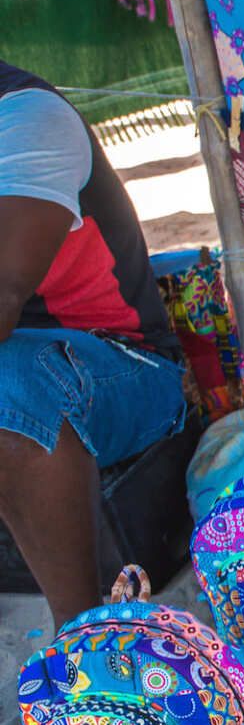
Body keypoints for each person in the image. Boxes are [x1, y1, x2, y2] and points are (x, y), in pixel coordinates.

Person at [0, 60, 188, 627]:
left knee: (8, 382)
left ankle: (84, 639)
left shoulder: (28, 117)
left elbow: (3, 297)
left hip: (124, 367)